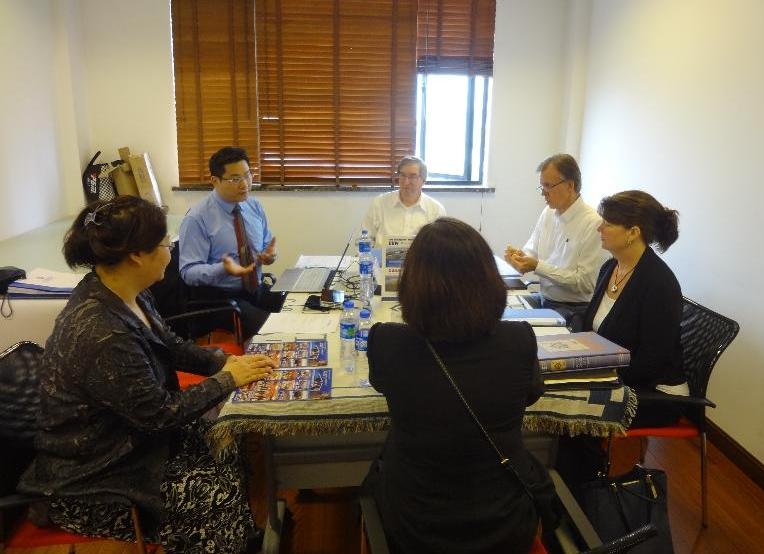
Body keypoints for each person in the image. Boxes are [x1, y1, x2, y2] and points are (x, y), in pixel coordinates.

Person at [19, 196, 277, 553]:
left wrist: (224, 362)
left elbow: (169, 344)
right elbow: (160, 415)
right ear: (137, 255)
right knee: (212, 489)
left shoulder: (124, 292)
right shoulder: (101, 331)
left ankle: (237, 537)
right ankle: (223, 540)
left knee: (225, 436)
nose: (170, 253)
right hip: (94, 477)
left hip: (130, 441)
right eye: (165, 244)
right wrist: (228, 379)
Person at [364, 217, 550, 554]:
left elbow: (381, 383)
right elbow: (531, 394)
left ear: (411, 284)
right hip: (505, 526)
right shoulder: (519, 339)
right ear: (490, 281)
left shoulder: (386, 342)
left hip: (414, 527)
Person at [556, 190, 685, 485]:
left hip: (655, 392)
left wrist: (595, 375)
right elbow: (592, 325)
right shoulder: (610, 267)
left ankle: (585, 489)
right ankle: (572, 484)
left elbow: (651, 362)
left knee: (571, 406)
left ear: (633, 233)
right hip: (619, 373)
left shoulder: (659, 283)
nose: (599, 228)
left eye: (607, 224)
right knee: (558, 393)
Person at [179, 146, 277, 338]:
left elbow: (267, 245)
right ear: (215, 181)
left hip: (255, 289)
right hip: (221, 301)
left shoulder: (254, 206)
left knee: (298, 309)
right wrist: (223, 269)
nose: (245, 184)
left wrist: (269, 256)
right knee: (272, 331)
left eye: (247, 175)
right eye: (235, 179)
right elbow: (188, 272)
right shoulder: (197, 218)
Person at [505, 154, 604, 329]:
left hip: (572, 309)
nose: (543, 192)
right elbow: (532, 250)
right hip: (544, 299)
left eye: (548, 186)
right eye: (541, 186)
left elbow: (585, 283)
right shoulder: (548, 212)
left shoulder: (593, 223)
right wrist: (519, 258)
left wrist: (537, 266)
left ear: (570, 185)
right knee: (504, 318)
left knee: (521, 335)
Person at [361, 156, 446, 245]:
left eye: (412, 177)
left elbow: (440, 246)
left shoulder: (436, 210)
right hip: (382, 254)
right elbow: (365, 238)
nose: (406, 182)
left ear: (423, 180)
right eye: (403, 175)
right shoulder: (379, 203)